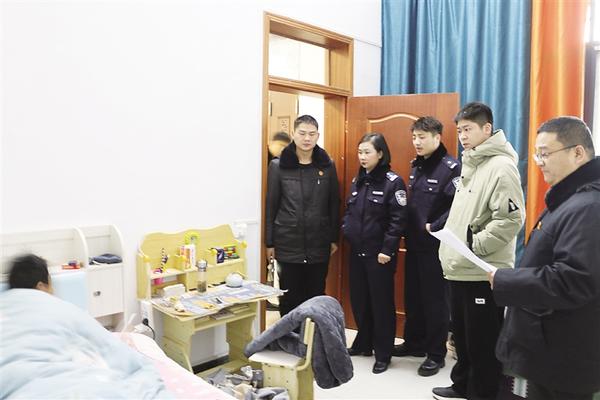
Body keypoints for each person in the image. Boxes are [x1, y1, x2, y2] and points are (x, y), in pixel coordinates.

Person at [490, 117, 600, 400]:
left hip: (559, 356)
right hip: (545, 347)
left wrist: (506, 280)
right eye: (537, 154)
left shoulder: (588, 206)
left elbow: (574, 279)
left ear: (578, 153)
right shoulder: (570, 199)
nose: (539, 162)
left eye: (545, 154)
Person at [433, 102, 525, 400]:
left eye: (468, 129)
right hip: (460, 268)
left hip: (481, 271)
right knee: (462, 338)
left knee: (482, 343)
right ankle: (462, 385)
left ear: (487, 128)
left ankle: (482, 393)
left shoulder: (501, 166)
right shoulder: (473, 163)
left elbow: (511, 219)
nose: (462, 136)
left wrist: (476, 246)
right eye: (460, 130)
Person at [393, 116, 460, 377]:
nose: (417, 142)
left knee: (435, 302)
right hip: (414, 243)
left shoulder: (450, 167)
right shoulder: (417, 165)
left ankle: (435, 353)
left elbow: (457, 206)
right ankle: (414, 343)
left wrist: (435, 226)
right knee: (414, 297)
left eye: (422, 137)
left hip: (436, 246)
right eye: (414, 137)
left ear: (437, 137)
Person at [342, 133, 407, 374]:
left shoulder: (393, 182)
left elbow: (398, 220)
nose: (362, 157)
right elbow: (350, 211)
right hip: (357, 251)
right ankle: (364, 343)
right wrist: (346, 228)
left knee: (381, 305)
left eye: (367, 152)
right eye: (360, 152)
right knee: (360, 301)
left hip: (380, 254)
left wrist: (387, 249)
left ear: (380, 154)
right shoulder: (358, 180)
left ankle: (383, 353)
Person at [265, 115, 340, 317]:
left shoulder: (327, 165)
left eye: (312, 134)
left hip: (319, 243)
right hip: (287, 243)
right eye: (302, 133)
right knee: (290, 297)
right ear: (293, 134)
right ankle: (290, 334)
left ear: (318, 136)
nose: (307, 138)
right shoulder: (278, 166)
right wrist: (269, 242)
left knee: (315, 296)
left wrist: (334, 238)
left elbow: (334, 203)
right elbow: (271, 205)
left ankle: (313, 335)